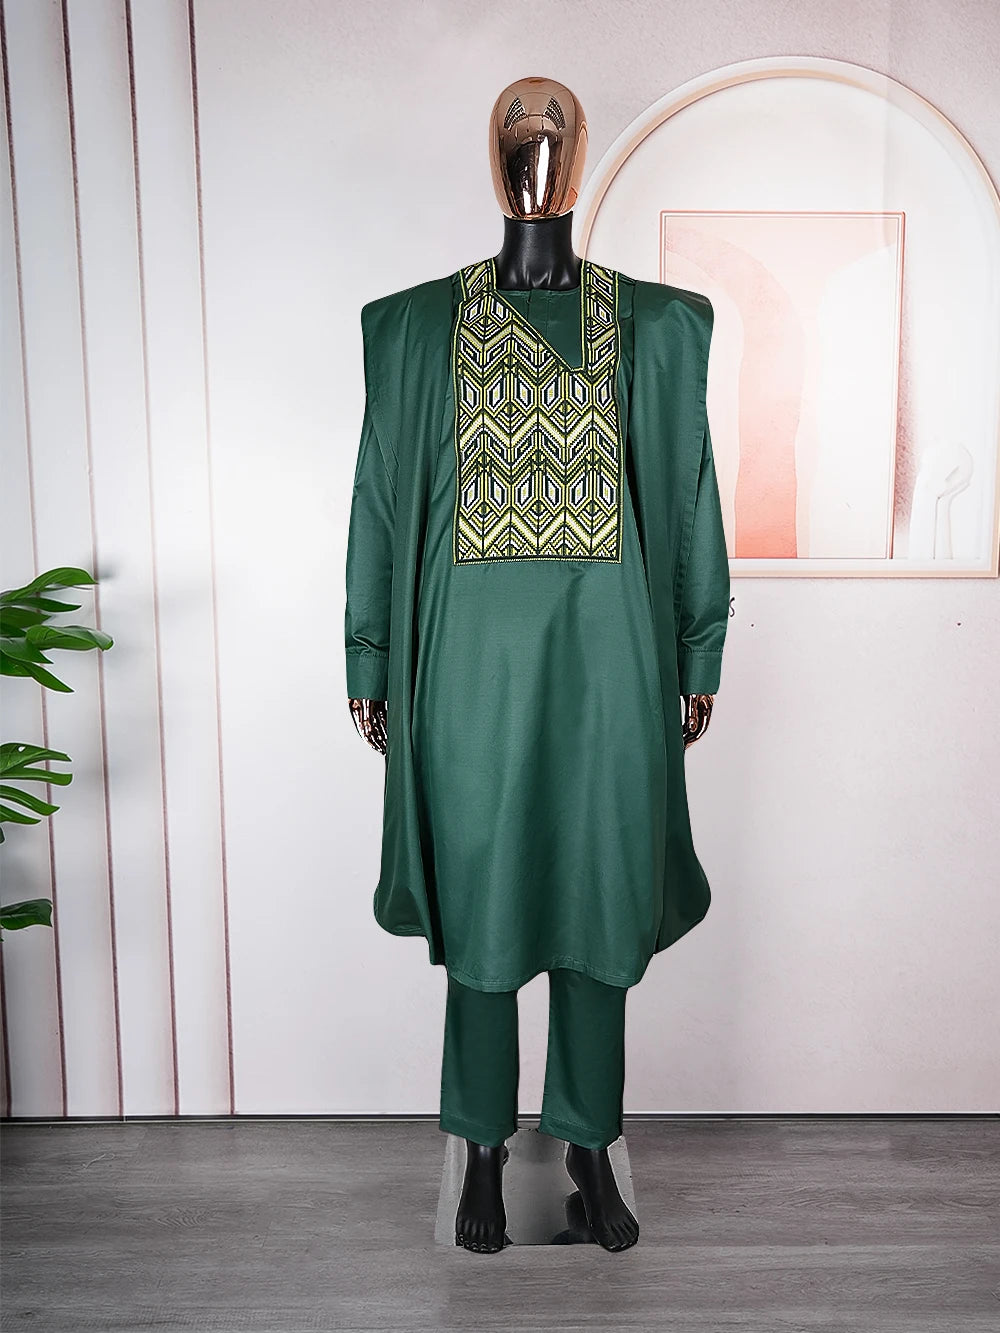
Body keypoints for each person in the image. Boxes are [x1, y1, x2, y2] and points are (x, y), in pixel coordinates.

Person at [345, 77, 730, 1254]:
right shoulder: (416, 327)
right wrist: (370, 651)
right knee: (484, 900)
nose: (537, 157)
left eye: (554, 138)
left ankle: (587, 1142)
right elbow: (377, 500)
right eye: (521, 137)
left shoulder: (653, 324)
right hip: (467, 677)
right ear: (493, 160)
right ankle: (477, 1143)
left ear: (580, 162)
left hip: (609, 671)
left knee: (598, 897)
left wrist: (696, 644)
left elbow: (688, 495)